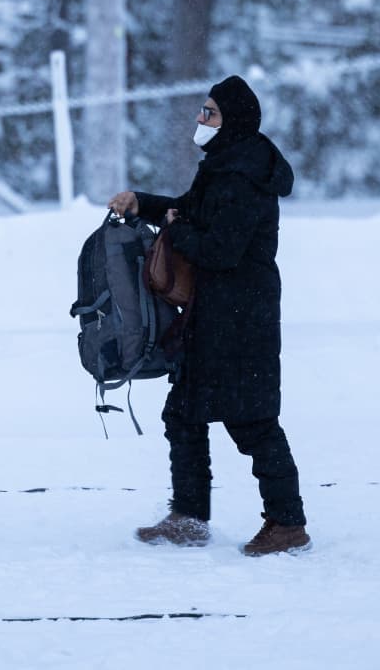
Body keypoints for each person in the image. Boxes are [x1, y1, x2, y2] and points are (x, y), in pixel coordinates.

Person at [108, 75, 310, 556]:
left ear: (232, 121)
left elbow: (219, 248)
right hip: (214, 313)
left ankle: (287, 523)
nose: (200, 120)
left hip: (242, 317)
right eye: (202, 110)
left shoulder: (243, 175)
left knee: (253, 422)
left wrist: (176, 231)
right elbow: (190, 212)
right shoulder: (225, 164)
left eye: (210, 113)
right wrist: (145, 205)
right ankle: (189, 518)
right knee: (184, 413)